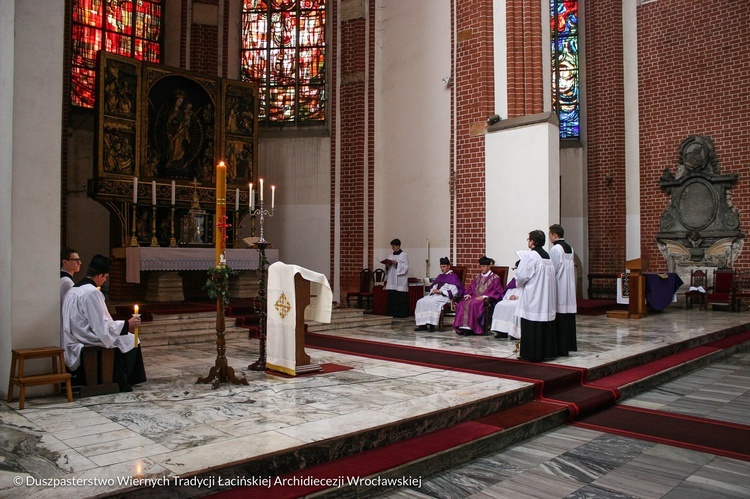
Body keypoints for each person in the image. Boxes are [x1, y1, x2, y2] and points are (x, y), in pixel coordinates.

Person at [62, 255, 147, 392]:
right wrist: (127, 324)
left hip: (72, 336)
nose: (105, 280)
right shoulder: (91, 293)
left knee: (124, 337)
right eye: (105, 277)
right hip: (85, 337)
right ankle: (121, 380)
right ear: (100, 275)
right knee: (131, 339)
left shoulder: (74, 290)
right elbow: (101, 326)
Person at [515, 230, 557, 362]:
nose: (528, 241)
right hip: (545, 296)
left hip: (533, 295)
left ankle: (531, 354)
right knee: (543, 324)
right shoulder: (547, 256)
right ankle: (546, 353)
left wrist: (518, 278)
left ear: (533, 241)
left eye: (529, 239)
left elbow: (522, 276)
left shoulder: (531, 256)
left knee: (531, 324)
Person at [453, 256, 504, 336]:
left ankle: (472, 328)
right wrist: (468, 294)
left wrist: (484, 296)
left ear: (489, 266)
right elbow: (470, 287)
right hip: (474, 297)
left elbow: (497, 291)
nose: (482, 268)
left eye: (484, 266)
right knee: (462, 303)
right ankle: (463, 327)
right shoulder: (477, 277)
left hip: (484, 299)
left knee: (473, 304)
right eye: (480, 266)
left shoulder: (495, 278)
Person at [549, 224, 578, 355]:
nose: (549, 237)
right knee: (567, 316)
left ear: (555, 235)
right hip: (569, 286)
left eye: (550, 235)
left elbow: (553, 269)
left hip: (559, 286)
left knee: (560, 315)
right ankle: (568, 345)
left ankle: (560, 347)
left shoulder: (556, 249)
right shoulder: (570, 248)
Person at [414, 257, 464, 332]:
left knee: (433, 302)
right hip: (435, 295)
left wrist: (441, 292)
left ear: (448, 266)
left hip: (445, 298)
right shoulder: (440, 276)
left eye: (444, 267)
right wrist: (433, 290)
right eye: (441, 267)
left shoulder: (454, 277)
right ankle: (422, 325)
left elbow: (454, 291)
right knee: (420, 301)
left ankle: (431, 325)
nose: (442, 269)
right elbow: (433, 286)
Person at [383, 239, 410, 317]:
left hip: (400, 279)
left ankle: (401, 313)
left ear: (398, 246)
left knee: (399, 297)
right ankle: (391, 312)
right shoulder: (391, 255)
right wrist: (387, 265)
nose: (392, 248)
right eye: (392, 246)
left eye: (394, 246)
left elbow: (406, 267)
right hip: (392, 279)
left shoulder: (403, 255)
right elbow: (388, 266)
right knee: (392, 296)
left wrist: (397, 264)